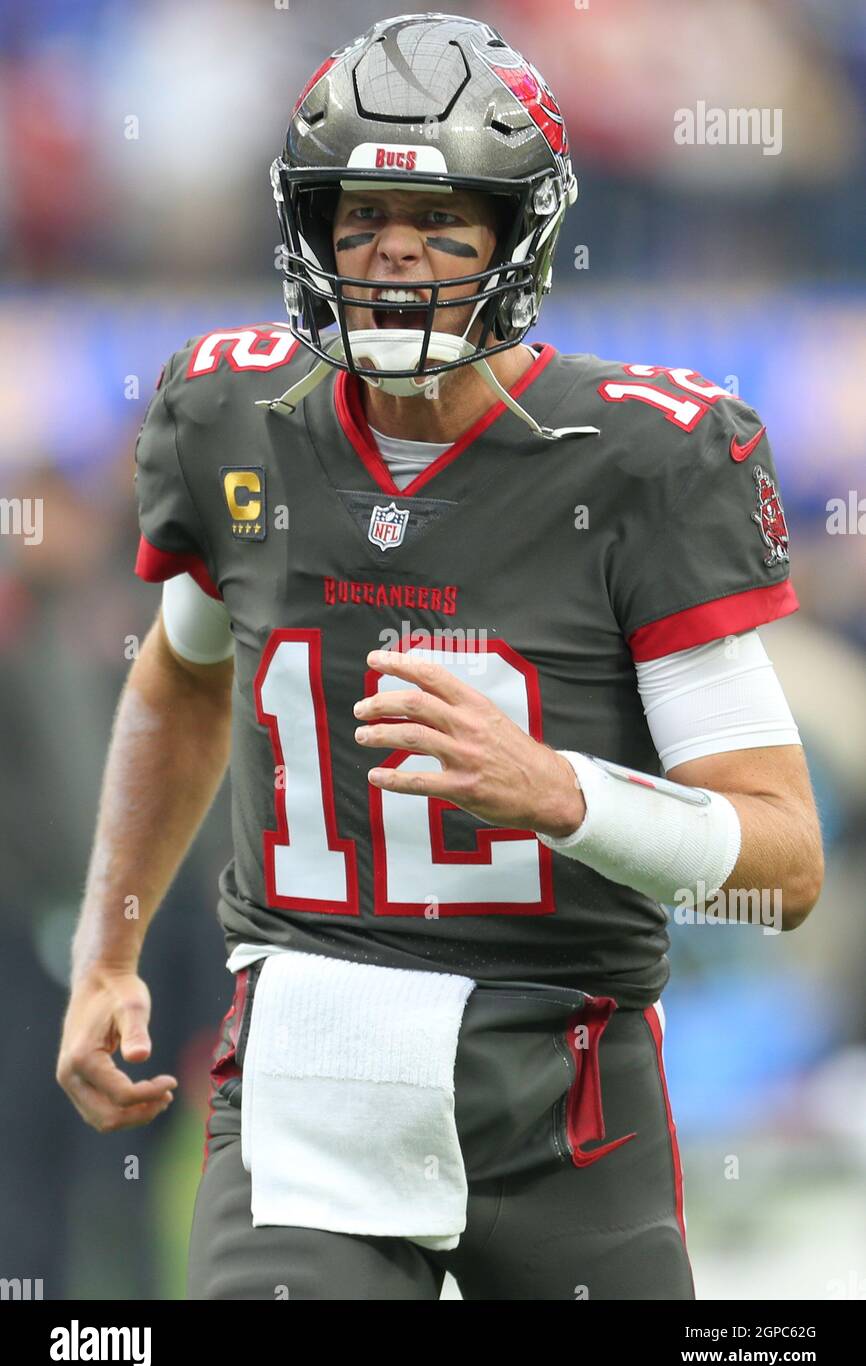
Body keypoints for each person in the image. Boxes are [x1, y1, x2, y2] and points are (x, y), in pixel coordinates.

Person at [57, 13, 824, 1300]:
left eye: (439, 222)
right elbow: (180, 677)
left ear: (517, 236)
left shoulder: (637, 458)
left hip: (562, 1089)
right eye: (355, 220)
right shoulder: (235, 419)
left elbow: (784, 862)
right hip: (306, 1071)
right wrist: (109, 952)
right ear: (307, 234)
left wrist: (559, 792)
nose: (392, 256)